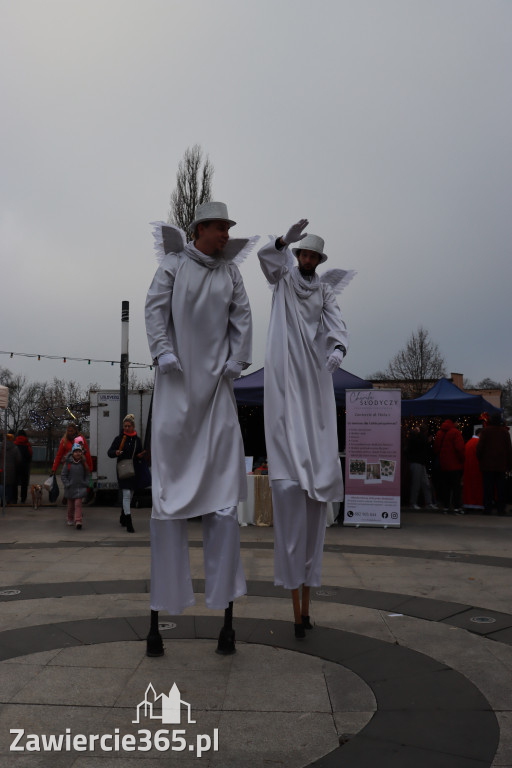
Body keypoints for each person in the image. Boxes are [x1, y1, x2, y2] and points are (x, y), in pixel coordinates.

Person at [144, 201, 253, 656]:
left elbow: (242, 319)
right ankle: (164, 605)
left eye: (229, 228)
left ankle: (223, 606)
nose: (227, 234)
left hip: (216, 398)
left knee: (225, 505)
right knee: (167, 506)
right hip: (175, 393)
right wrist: (163, 350)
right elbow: (154, 310)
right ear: (200, 229)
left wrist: (237, 358)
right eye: (220, 227)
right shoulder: (172, 267)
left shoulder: (231, 275)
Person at [257, 219, 350, 638]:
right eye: (304, 254)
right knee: (285, 415)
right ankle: (292, 462)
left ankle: (314, 463)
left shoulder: (324, 289)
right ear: (297, 255)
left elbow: (335, 321)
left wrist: (338, 347)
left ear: (319, 260)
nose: (308, 261)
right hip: (285, 363)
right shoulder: (283, 280)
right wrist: (281, 241)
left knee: (315, 416)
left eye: (313, 256)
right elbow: (266, 260)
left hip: (311, 366)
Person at [107, 414, 147, 533]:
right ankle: (129, 522)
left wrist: (140, 455)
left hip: (134, 469)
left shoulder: (137, 440)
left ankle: (123, 516)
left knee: (131, 495)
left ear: (133, 426)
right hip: (123, 469)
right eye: (125, 426)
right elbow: (109, 452)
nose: (127, 428)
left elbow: (140, 452)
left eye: (129, 426)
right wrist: (116, 452)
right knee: (126, 494)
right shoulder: (119, 439)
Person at [476, 413, 512, 516]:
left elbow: (479, 448)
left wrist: (481, 460)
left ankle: (487, 509)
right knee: (501, 489)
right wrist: (509, 465)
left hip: (487, 465)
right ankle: (501, 509)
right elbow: (509, 449)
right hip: (501, 465)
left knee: (488, 488)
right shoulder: (504, 432)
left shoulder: (485, 431)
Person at [433, 417, 465, 514]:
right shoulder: (456, 432)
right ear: (454, 422)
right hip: (455, 465)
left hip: (443, 465)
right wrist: (462, 460)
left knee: (445, 487)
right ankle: (456, 507)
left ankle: (446, 507)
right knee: (456, 487)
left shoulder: (439, 433)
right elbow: (460, 449)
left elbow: (435, 449)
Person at [61, 443, 90, 529]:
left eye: (79, 452)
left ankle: (78, 520)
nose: (78, 453)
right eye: (76, 452)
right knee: (70, 506)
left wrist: (86, 483)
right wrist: (67, 484)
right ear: (72, 453)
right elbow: (63, 475)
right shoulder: (68, 464)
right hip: (70, 489)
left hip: (80, 488)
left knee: (78, 504)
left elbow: (88, 474)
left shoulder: (83, 463)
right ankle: (70, 518)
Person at [406, 425, 436, 509]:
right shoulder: (419, 439)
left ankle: (426, 502)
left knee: (422, 483)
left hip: (418, 462)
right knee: (420, 483)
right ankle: (418, 503)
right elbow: (421, 445)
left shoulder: (414, 439)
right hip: (418, 462)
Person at [462, 429, 484, 512]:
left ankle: (469, 504)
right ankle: (477, 505)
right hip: (477, 469)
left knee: (469, 488)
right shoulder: (478, 443)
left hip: (468, 469)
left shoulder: (469, 443)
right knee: (477, 488)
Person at [0, 433, 21, 504]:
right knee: (9, 485)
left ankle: (1, 499)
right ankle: (8, 499)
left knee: (2, 484)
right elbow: (18, 459)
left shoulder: (1, 447)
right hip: (11, 469)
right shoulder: (15, 448)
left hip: (1, 468)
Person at [14, 430, 33, 504]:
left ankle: (14, 498)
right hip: (25, 466)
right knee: (24, 483)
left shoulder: (15, 443)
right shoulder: (27, 444)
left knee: (15, 483)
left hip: (16, 466)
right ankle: (23, 498)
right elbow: (30, 455)